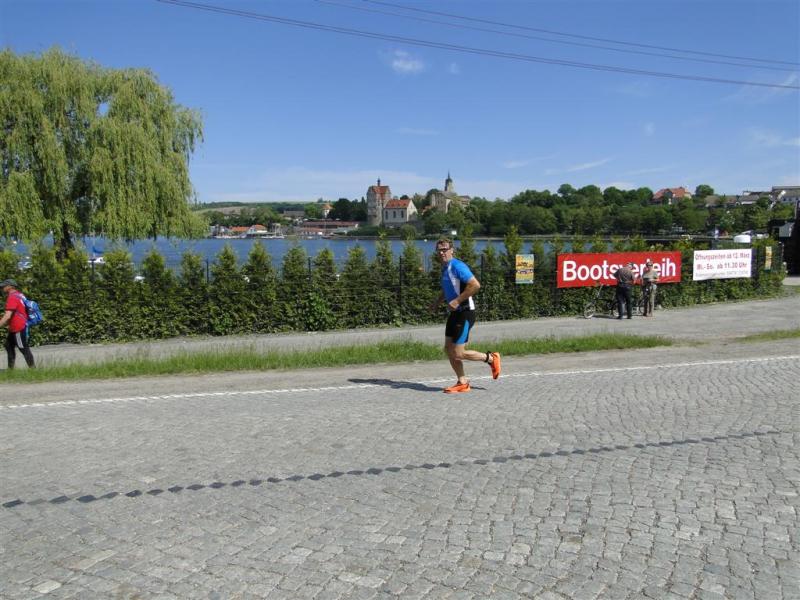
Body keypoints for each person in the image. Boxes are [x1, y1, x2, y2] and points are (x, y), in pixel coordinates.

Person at [430, 238, 500, 393]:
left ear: (452, 250)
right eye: (439, 250)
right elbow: (448, 289)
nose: (442, 253)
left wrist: (457, 300)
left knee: (459, 352)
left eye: (445, 249)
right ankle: (462, 382)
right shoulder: (445, 268)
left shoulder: (457, 266)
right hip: (455, 313)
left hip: (465, 312)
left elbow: (475, 285)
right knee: (449, 349)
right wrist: (436, 302)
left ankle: (491, 358)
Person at [0, 278, 36, 369]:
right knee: (8, 345)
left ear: (10, 287)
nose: (2, 288)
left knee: (23, 347)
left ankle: (33, 369)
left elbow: (8, 315)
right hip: (16, 326)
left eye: (3, 286)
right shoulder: (19, 295)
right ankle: (10, 369)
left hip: (18, 327)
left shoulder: (12, 297)